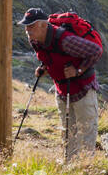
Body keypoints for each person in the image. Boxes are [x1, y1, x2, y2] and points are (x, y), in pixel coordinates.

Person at [18, 8, 103, 163]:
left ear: (44, 25)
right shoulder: (35, 40)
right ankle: (69, 165)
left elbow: (96, 51)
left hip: (82, 88)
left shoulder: (66, 40)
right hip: (62, 89)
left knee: (86, 130)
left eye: (31, 26)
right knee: (68, 131)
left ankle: (85, 168)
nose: (27, 30)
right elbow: (49, 56)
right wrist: (45, 68)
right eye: (26, 25)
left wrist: (78, 70)